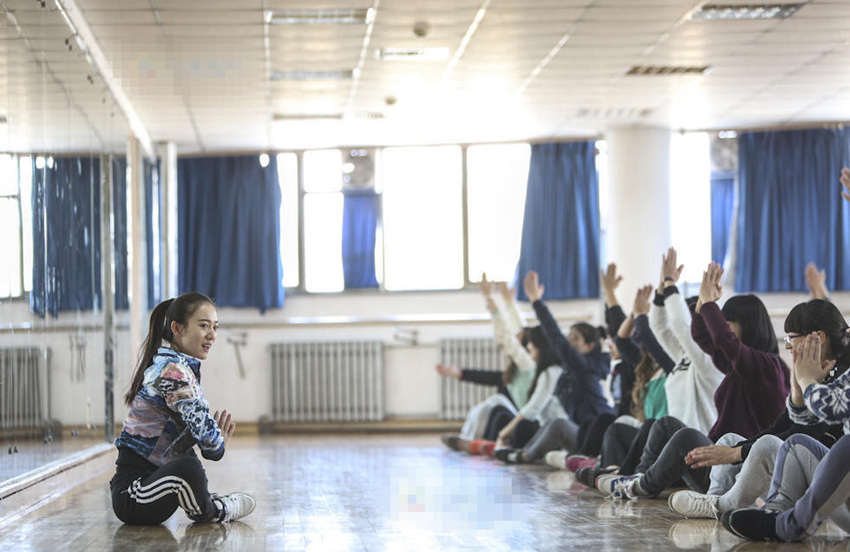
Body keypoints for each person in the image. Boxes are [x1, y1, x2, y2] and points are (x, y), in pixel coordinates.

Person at [595, 262, 789, 500]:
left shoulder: (766, 367)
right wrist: (699, 307)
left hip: (739, 467)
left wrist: (696, 299)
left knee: (685, 436)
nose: (721, 329)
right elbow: (697, 336)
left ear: (748, 326)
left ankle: (641, 485)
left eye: (728, 323)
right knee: (664, 425)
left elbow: (710, 337)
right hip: (718, 459)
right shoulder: (736, 367)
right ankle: (637, 476)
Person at [669, 299, 846, 520]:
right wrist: (737, 448)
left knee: (767, 444)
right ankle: (713, 499)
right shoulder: (814, 373)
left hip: (832, 487)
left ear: (817, 338)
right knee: (730, 438)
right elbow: (784, 424)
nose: (789, 347)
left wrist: (737, 453)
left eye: (792, 339)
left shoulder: (840, 377)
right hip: (803, 471)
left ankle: (724, 505)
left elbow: (803, 436)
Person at [110, 293, 255, 525]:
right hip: (133, 496)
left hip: (154, 483)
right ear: (178, 328)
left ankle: (206, 502)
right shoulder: (173, 372)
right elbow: (211, 444)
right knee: (188, 467)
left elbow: (202, 441)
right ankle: (216, 509)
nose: (212, 335)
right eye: (204, 325)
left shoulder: (179, 367)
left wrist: (212, 443)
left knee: (189, 461)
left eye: (215, 327)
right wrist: (216, 444)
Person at [438, 277, 535, 451]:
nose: (513, 340)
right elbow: (519, 330)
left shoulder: (528, 365)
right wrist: (508, 303)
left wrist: (490, 299)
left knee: (498, 406)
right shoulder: (524, 366)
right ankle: (476, 442)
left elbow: (508, 335)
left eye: (517, 339)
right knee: (496, 407)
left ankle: (475, 443)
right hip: (525, 418)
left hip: (534, 423)